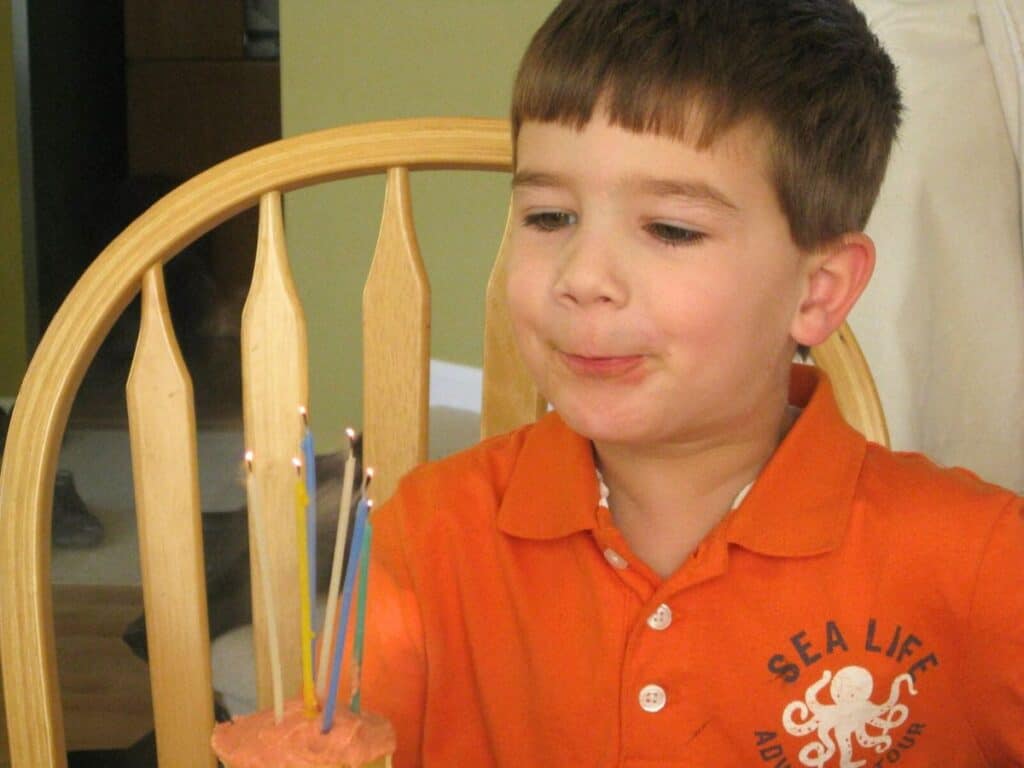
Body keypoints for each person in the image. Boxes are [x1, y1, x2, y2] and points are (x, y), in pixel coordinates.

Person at [355, 2, 1024, 765]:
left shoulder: (980, 562)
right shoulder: (430, 536)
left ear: (818, 292)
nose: (583, 278)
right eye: (548, 217)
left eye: (670, 229)